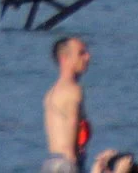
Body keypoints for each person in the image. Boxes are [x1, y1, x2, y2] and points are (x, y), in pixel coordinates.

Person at [43, 36, 93, 173]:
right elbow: (72, 127)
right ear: (64, 59)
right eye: (81, 53)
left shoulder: (51, 93)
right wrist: (74, 164)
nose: (88, 57)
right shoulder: (73, 91)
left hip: (51, 162)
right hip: (67, 163)